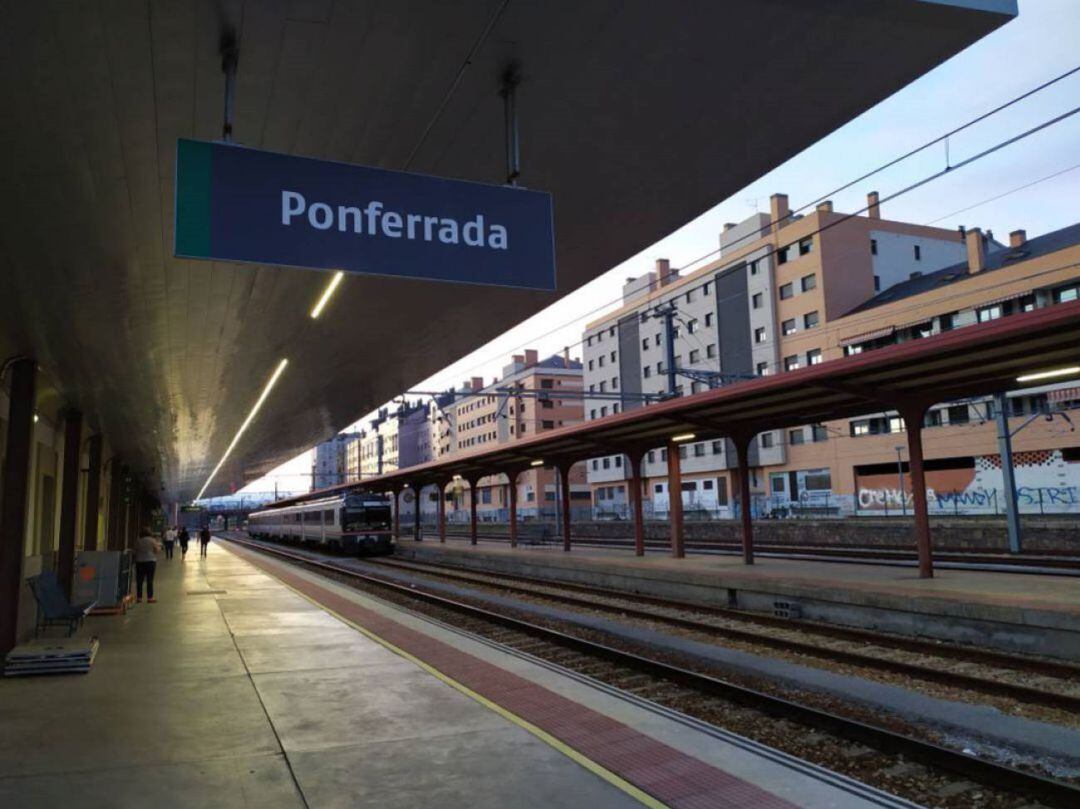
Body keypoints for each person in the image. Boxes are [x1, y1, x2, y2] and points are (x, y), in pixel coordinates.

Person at [133, 527, 162, 603]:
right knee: (150, 580)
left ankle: (139, 598)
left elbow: (135, 551)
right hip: (150, 561)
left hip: (140, 562)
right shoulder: (152, 540)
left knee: (139, 580)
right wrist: (157, 549)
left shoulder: (138, 541)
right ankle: (150, 597)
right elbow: (157, 550)